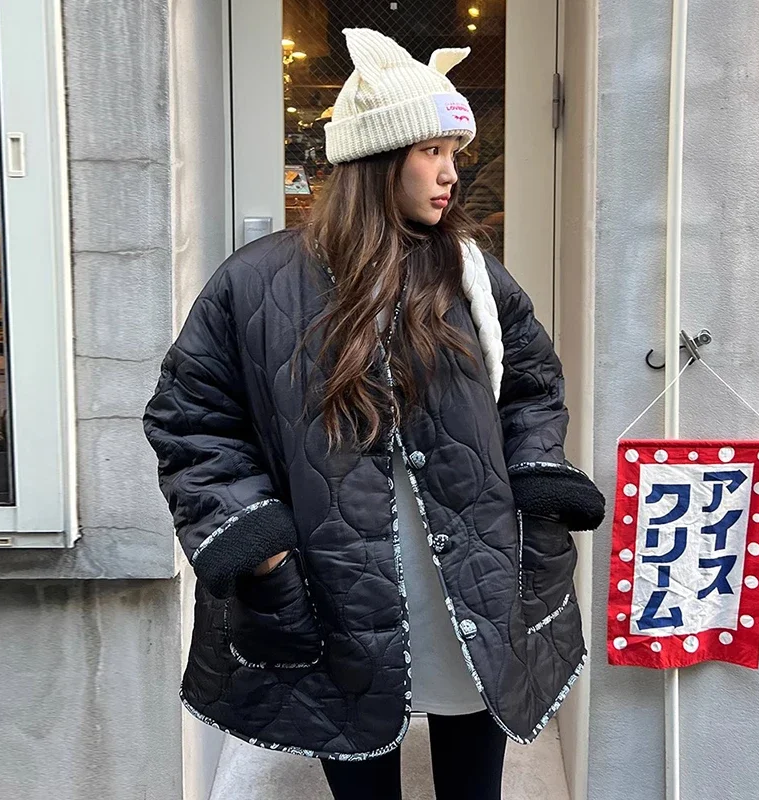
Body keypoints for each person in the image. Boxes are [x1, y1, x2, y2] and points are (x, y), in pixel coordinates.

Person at [143, 28, 605, 800]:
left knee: (473, 774)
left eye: (455, 154)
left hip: (471, 569)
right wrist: (258, 544)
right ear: (376, 156)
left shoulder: (470, 273)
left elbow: (531, 384)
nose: (451, 174)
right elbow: (191, 419)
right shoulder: (255, 285)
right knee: (358, 759)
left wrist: (538, 479)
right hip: (331, 576)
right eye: (431, 152)